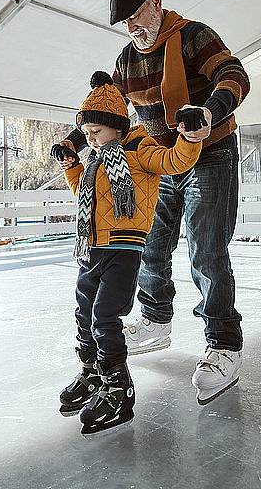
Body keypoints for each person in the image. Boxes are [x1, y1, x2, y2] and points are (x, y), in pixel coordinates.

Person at [58, 0, 250, 406]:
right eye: (124, 22)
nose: (131, 28)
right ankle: (155, 319)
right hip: (157, 161)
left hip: (210, 151)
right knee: (149, 243)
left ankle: (223, 342)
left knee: (206, 246)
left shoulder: (194, 36)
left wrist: (207, 111)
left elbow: (235, 75)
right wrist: (71, 143)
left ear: (156, 2)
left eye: (136, 16)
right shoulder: (126, 60)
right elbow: (105, 110)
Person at [51, 71, 201, 435]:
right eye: (85, 134)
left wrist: (189, 135)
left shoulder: (139, 149)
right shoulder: (99, 158)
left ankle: (118, 388)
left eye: (95, 132)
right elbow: (87, 197)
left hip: (123, 248)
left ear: (116, 126)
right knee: (84, 311)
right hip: (92, 246)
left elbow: (174, 162)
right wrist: (73, 167)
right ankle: (91, 373)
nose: (88, 139)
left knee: (106, 315)